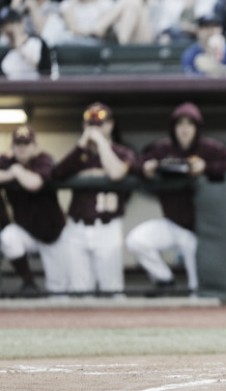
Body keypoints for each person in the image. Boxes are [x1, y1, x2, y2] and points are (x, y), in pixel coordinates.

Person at [126, 102, 226, 294]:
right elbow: (135, 163)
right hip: (172, 222)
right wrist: (145, 168)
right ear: (173, 128)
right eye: (180, 124)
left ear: (196, 128)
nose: (184, 129)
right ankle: (164, 280)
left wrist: (205, 167)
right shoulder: (163, 148)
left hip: (198, 231)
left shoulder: (208, 148)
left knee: (197, 289)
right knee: (136, 240)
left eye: (189, 124)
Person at [51, 102, 137, 297]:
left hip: (107, 226)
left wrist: (101, 143)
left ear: (110, 125)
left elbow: (116, 173)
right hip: (77, 226)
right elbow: (56, 174)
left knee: (112, 288)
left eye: (100, 124)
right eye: (91, 125)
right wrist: (83, 144)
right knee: (79, 290)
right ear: (84, 126)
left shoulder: (123, 151)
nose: (95, 129)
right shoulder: (79, 154)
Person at [0, 125, 67, 296]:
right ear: (12, 146)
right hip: (27, 232)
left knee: (58, 290)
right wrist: (13, 173)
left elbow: (34, 183)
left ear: (35, 146)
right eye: (18, 144)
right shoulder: (8, 162)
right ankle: (28, 281)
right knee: (8, 237)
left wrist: (16, 171)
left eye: (26, 144)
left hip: (53, 235)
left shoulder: (43, 159)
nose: (22, 148)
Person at [59, 0, 153, 46]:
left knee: (133, 3)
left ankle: (101, 29)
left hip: (104, 36)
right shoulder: (69, 5)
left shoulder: (103, 3)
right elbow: (72, 30)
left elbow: (108, 29)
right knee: (133, 3)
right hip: (85, 37)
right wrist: (87, 31)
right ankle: (120, 40)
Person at [0, 6, 52, 80]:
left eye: (12, 23)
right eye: (3, 26)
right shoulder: (4, 55)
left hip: (38, 89)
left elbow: (45, 69)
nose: (8, 28)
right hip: (13, 90)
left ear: (21, 23)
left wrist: (19, 44)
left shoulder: (38, 43)